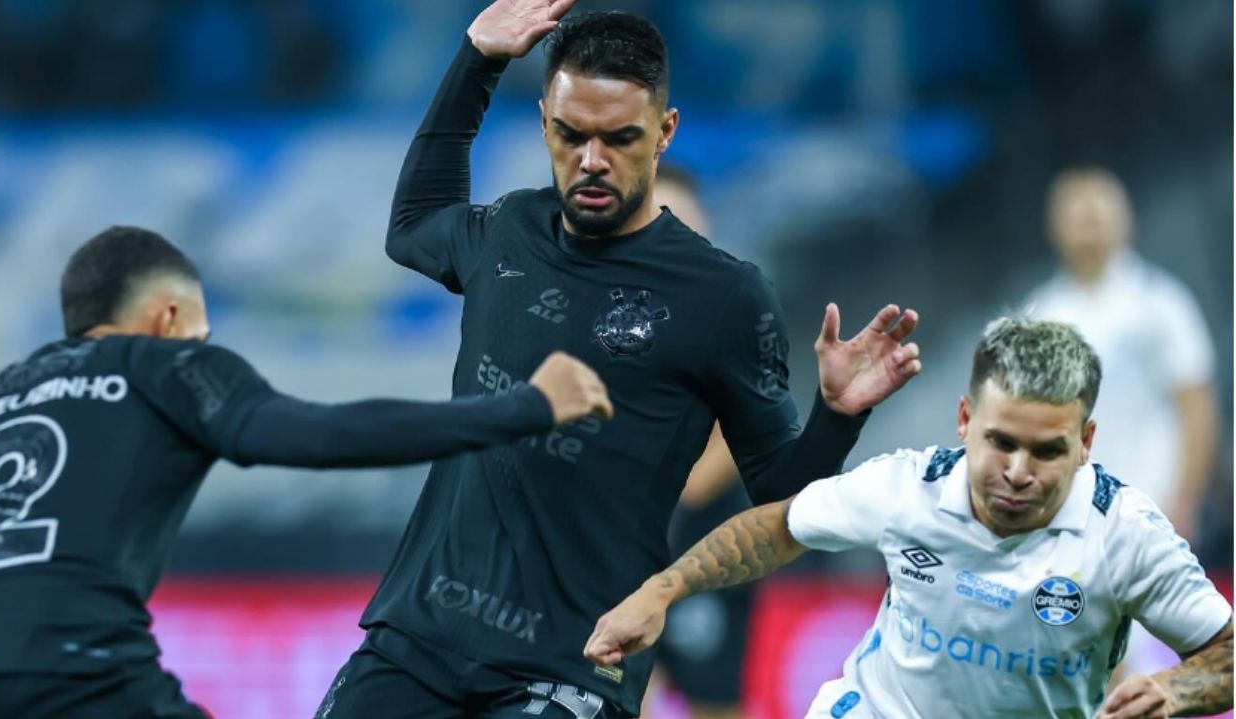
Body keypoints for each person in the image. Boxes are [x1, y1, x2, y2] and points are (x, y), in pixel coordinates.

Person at [318, 2, 923, 718]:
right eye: (571, 135)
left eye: (620, 138)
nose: (592, 160)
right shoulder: (511, 229)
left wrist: (836, 418)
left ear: (664, 132)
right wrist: (476, 63)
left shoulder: (724, 296)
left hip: (570, 666)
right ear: (545, 121)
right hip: (417, 637)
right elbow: (414, 225)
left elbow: (781, 494)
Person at [0, 225, 614, 719]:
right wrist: (526, 406)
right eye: (201, 332)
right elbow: (325, 435)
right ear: (169, 316)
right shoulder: (166, 365)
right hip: (79, 670)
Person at [585, 317, 1234, 719]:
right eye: (1000, 440)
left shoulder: (1125, 532)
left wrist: (1175, 691)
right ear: (964, 421)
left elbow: (1224, 651)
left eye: (1046, 450)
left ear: (1086, 442)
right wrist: (664, 589)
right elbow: (779, 526)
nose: (1016, 468)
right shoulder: (909, 487)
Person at [1025, 167, 1217, 546]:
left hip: (1153, 512)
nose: (1088, 224)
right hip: (1067, 520)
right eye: (1077, 215)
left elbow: (1196, 407)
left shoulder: (1161, 304)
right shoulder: (1041, 314)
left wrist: (1186, 502)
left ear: (1126, 221)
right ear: (1054, 227)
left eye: (1098, 213)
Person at [643, 164, 754, 719]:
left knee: (714, 702)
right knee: (620, 687)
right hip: (617, 545)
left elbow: (739, 436)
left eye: (682, 217)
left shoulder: (736, 311)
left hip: (706, 540)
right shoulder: (605, 313)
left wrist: (665, 502)